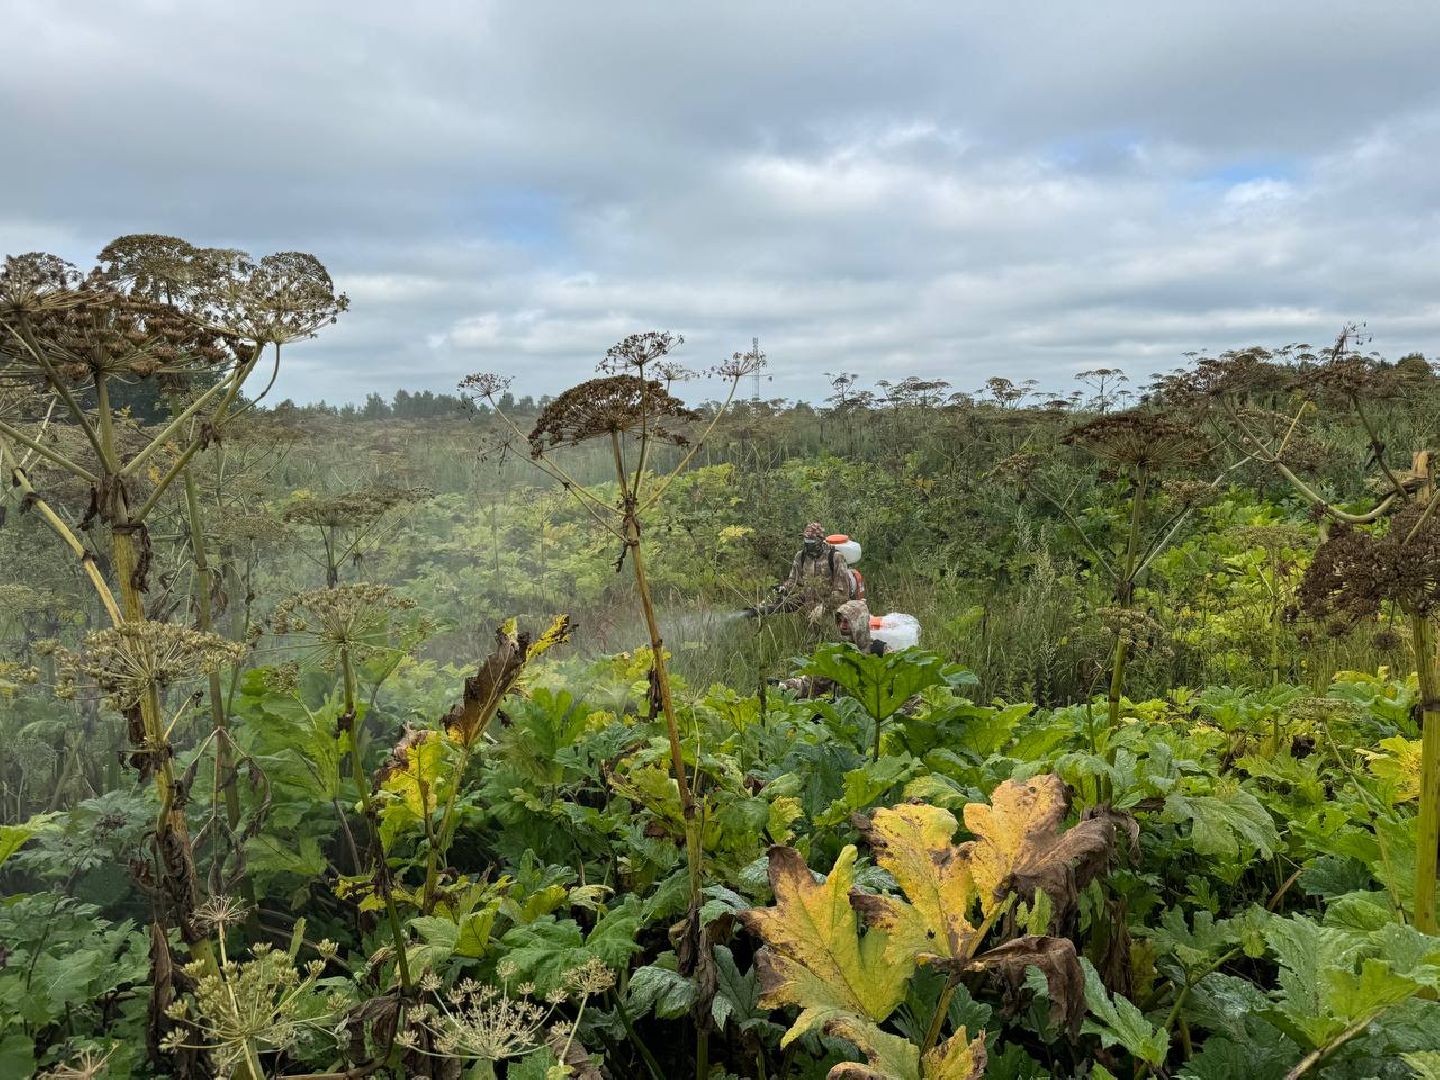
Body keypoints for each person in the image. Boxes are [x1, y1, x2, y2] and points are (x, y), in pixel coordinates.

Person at [743, 522, 853, 627]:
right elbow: (793, 583)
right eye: (805, 539)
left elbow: (842, 593)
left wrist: (823, 608)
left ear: (820, 540)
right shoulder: (800, 557)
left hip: (832, 615)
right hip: (807, 614)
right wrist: (778, 593)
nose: (807, 543)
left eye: (811, 540)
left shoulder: (835, 557)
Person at [773, 600, 886, 697]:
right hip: (844, 715)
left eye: (846, 621)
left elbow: (901, 687)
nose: (842, 626)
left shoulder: (880, 651)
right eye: (839, 621)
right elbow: (811, 684)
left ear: (859, 623)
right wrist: (782, 686)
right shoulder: (836, 653)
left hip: (876, 717)